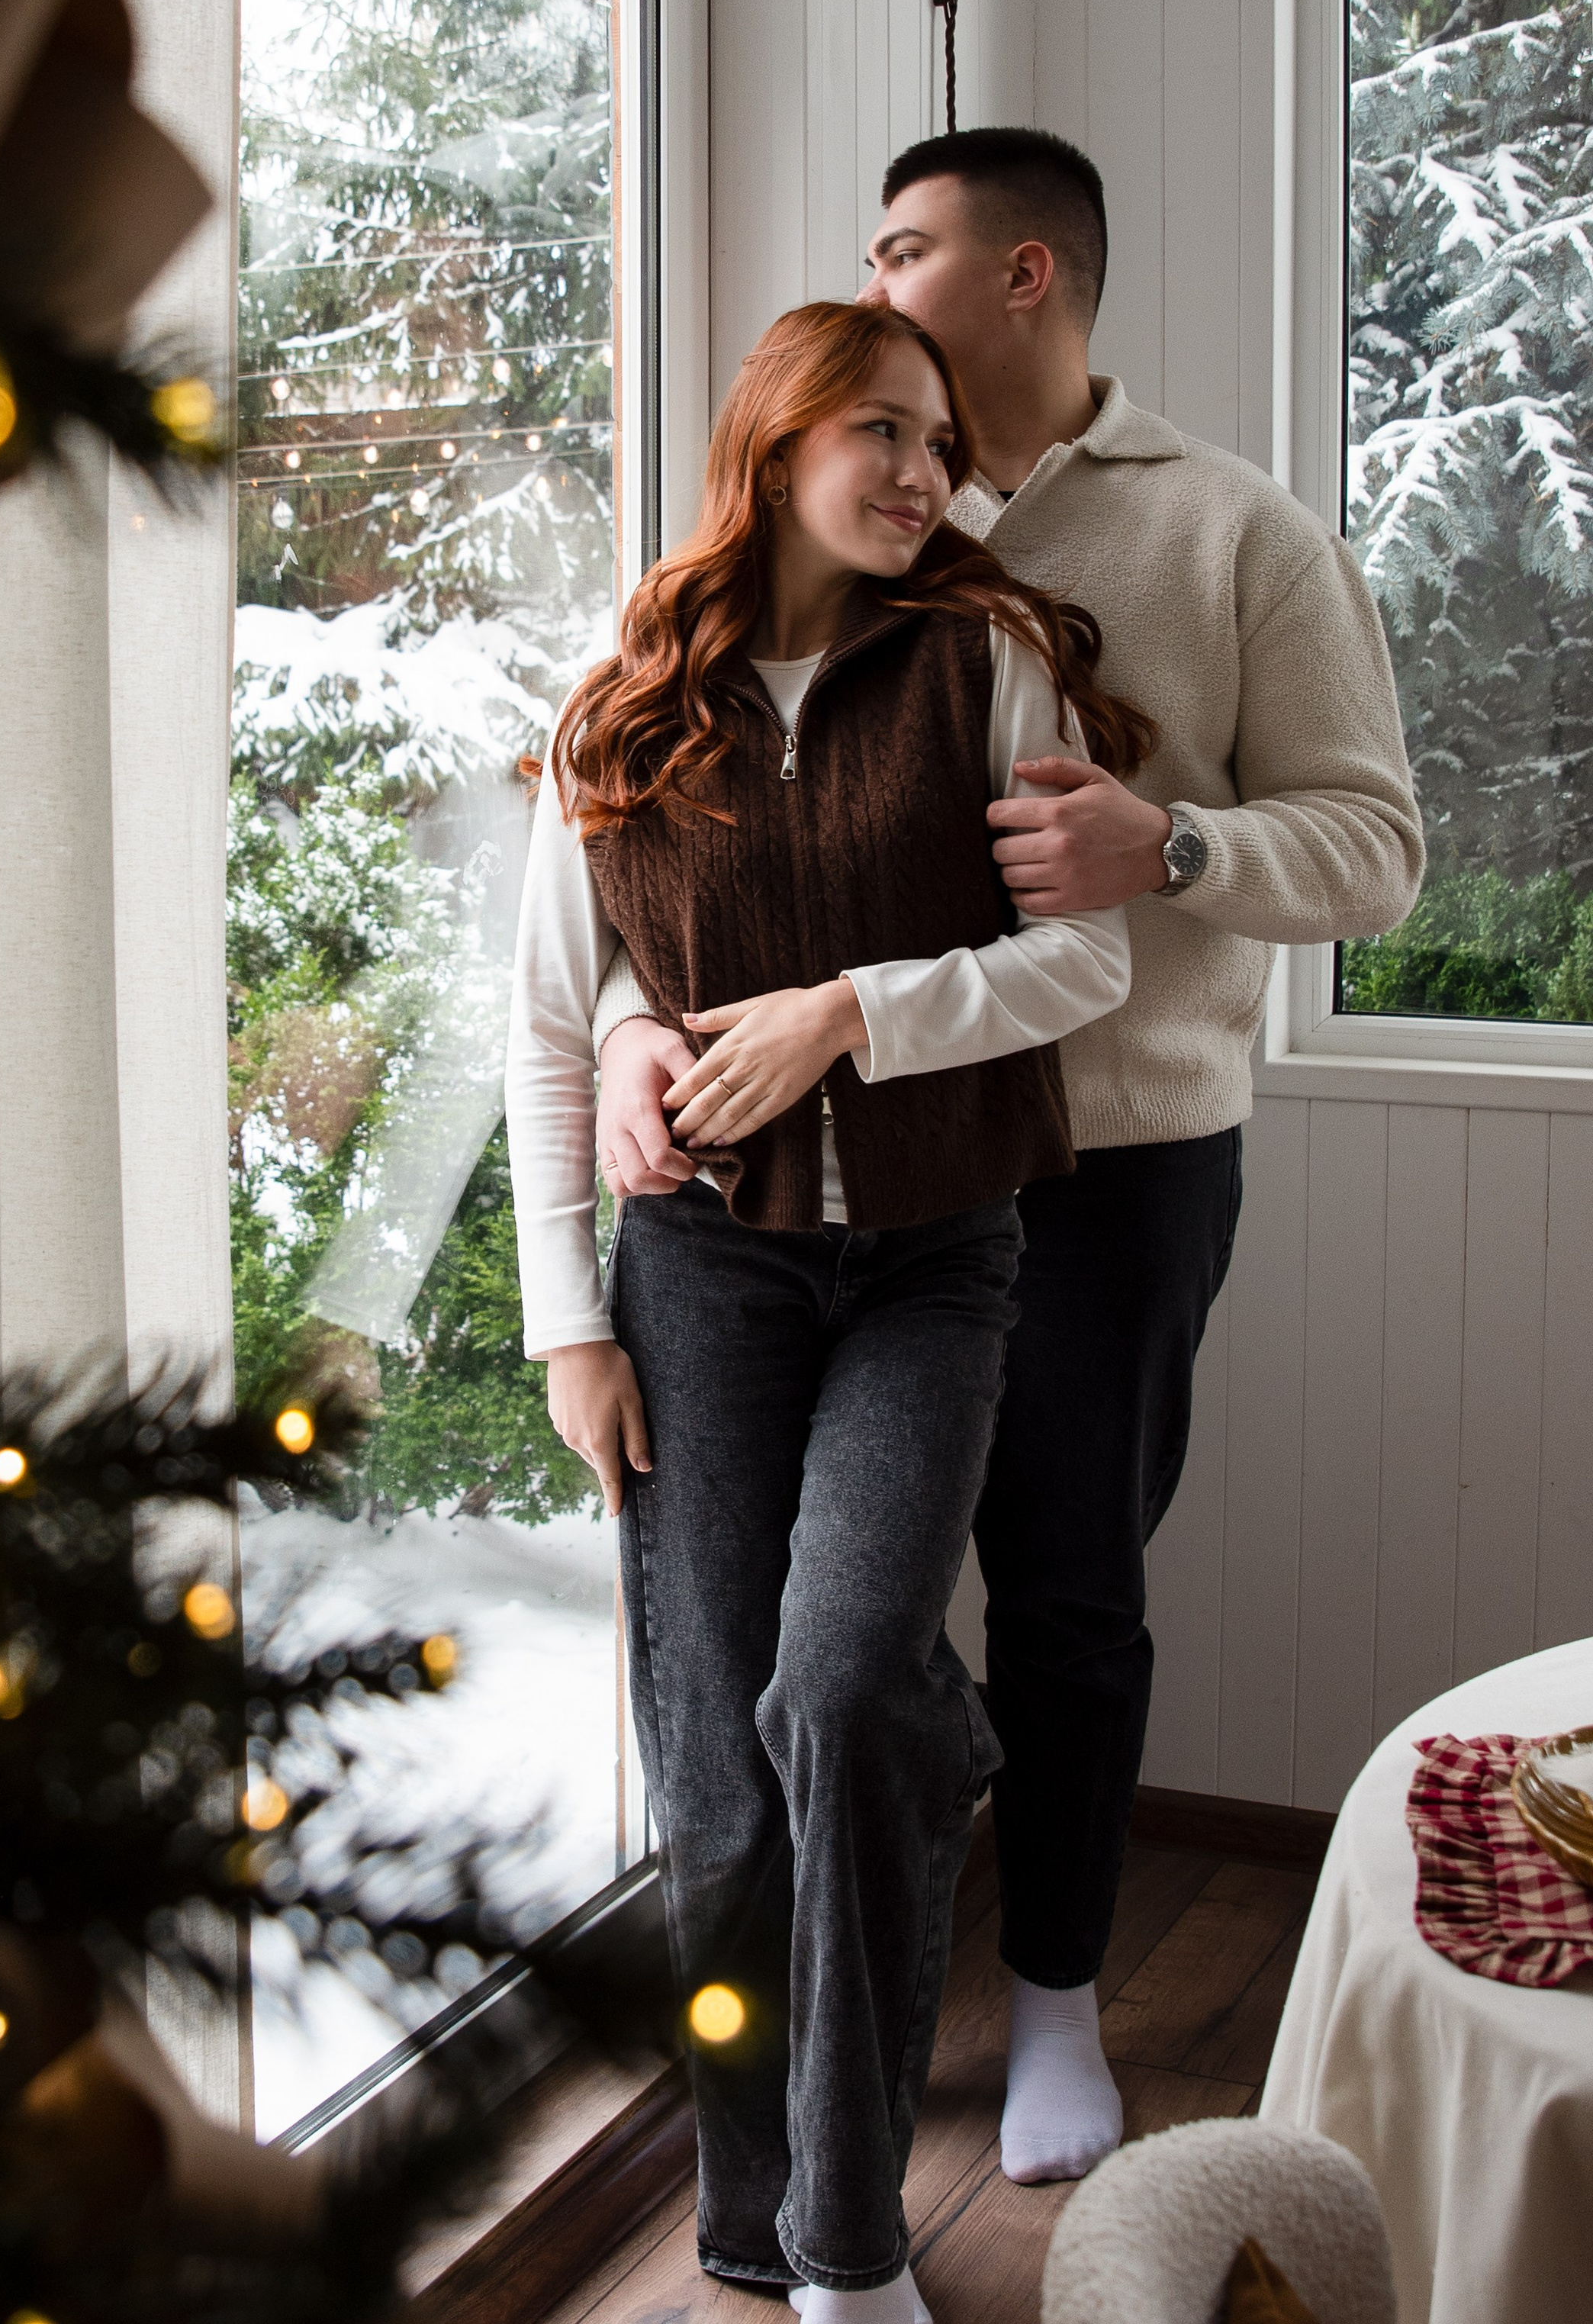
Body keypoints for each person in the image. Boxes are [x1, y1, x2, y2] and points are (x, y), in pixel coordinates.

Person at [591, 129, 1424, 2191]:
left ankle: (1055, 1995)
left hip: (1120, 1162)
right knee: (833, 1619)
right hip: (833, 1186)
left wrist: (1181, 851)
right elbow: (665, 867)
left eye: (906, 245)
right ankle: (888, 1884)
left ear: (1028, 274)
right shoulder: (864, 517)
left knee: (1068, 1586)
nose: (872, 272)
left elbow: (1384, 851)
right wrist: (627, 1029)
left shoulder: (1234, 534)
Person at [505, 298, 1147, 2321]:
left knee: (849, 1685)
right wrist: (566, 1325)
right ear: (773, 437)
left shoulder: (996, 658)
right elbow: (552, 1015)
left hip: (936, 1263)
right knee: (715, 1772)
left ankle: (857, 2253)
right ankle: (754, 2233)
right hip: (696, 1277)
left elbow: (1085, 974)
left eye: (942, 441)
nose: (919, 472)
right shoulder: (628, 694)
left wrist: (857, 1014)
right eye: (879, 428)